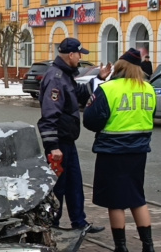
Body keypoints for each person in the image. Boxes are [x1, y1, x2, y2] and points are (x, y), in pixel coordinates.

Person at [82, 47, 157, 252]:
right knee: (137, 197)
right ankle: (148, 248)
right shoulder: (149, 89)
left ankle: (121, 249)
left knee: (115, 201)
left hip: (112, 151)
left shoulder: (108, 89)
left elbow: (91, 120)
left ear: (120, 67)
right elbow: (152, 115)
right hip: (139, 151)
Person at [38, 37, 111, 233]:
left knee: (74, 184)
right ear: (71, 55)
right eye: (79, 54)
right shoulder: (56, 78)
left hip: (67, 141)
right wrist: (53, 147)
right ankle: (52, 225)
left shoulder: (65, 75)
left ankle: (79, 222)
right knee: (57, 187)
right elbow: (49, 115)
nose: (80, 57)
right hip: (59, 144)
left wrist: (99, 78)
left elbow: (79, 93)